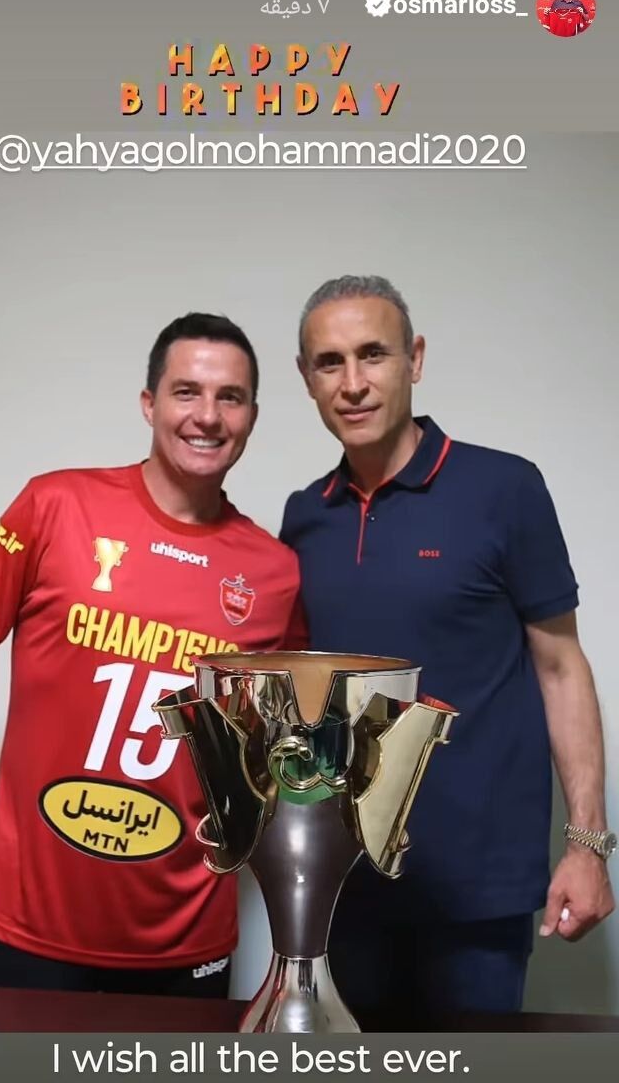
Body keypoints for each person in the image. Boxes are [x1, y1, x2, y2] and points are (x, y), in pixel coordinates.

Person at [0, 312, 306, 997]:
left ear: (252, 417)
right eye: (186, 392)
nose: (207, 416)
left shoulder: (275, 573)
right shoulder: (55, 505)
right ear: (149, 403)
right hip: (28, 924)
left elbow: (277, 738)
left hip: (187, 937)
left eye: (230, 397)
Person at [280, 275, 614, 1019]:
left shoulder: (504, 489)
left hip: (477, 893)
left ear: (416, 359)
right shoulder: (305, 516)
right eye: (330, 362)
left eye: (374, 354)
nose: (354, 383)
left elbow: (562, 668)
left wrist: (588, 844)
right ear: (306, 379)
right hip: (345, 886)